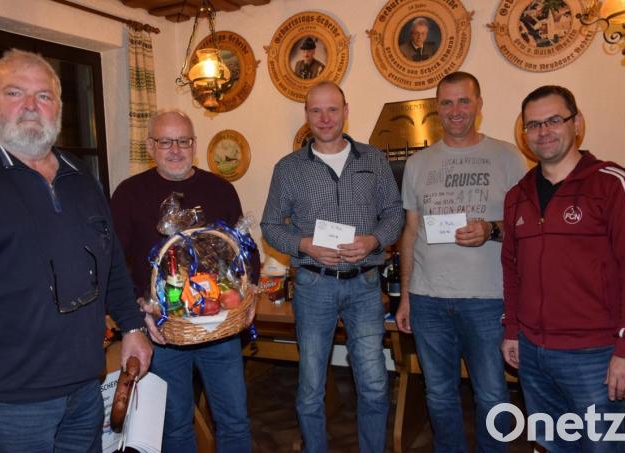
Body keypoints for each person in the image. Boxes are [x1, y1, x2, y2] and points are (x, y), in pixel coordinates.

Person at [0, 49, 152, 453]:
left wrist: (132, 328)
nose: (30, 106)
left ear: (58, 107)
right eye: (14, 93)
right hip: (1, 403)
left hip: (83, 389)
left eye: (43, 96)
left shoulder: (81, 177)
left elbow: (111, 263)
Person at [261, 81, 403, 453]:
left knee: (373, 382)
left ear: (345, 110)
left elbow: (393, 214)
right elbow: (271, 226)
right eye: (315, 111)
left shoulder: (373, 159)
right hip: (314, 284)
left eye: (332, 109)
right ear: (306, 115)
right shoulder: (289, 168)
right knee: (310, 386)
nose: (324, 118)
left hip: (365, 284)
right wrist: (304, 245)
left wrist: (373, 241)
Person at [110, 110, 259, 453]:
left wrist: (248, 293)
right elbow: (113, 264)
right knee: (175, 428)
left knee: (234, 421)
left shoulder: (220, 189)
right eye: (165, 141)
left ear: (194, 144)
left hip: (219, 327)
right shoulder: (129, 193)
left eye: (183, 141)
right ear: (150, 146)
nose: (175, 149)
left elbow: (244, 251)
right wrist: (138, 307)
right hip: (163, 333)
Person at [395, 71, 526, 452]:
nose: (456, 110)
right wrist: (406, 295)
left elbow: (523, 225)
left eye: (464, 101)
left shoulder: (506, 157)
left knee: (492, 395)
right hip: (428, 299)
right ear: (438, 108)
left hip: (487, 300)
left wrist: (491, 229)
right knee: (438, 395)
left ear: (479, 105)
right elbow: (410, 233)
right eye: (448, 102)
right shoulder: (418, 164)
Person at [501, 85, 625, 451]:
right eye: (533, 125)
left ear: (577, 123)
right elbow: (511, 269)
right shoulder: (517, 196)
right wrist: (512, 330)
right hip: (534, 354)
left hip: (595, 355)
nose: (544, 132)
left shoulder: (611, 184)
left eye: (554, 120)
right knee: (552, 446)